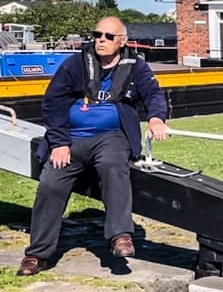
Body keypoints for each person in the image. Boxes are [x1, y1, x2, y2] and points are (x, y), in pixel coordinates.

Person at [17, 17, 170, 276]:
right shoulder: (74, 64)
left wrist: (156, 118)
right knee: (51, 184)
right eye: (97, 35)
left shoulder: (136, 66)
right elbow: (53, 102)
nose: (101, 40)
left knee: (113, 166)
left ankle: (120, 236)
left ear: (122, 41)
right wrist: (59, 142)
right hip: (70, 138)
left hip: (111, 136)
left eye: (109, 36)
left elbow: (153, 93)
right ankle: (37, 254)